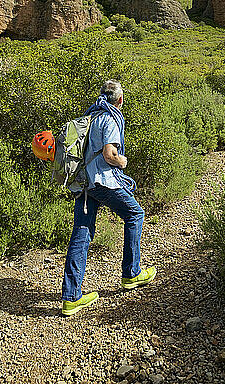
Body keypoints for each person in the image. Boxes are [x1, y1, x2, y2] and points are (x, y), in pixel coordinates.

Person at [61, 79, 156, 316]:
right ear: (120, 100)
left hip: (84, 184)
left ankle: (71, 297)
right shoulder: (111, 118)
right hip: (102, 181)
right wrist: (121, 161)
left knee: (81, 233)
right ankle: (131, 274)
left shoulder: (91, 116)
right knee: (135, 214)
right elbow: (109, 153)